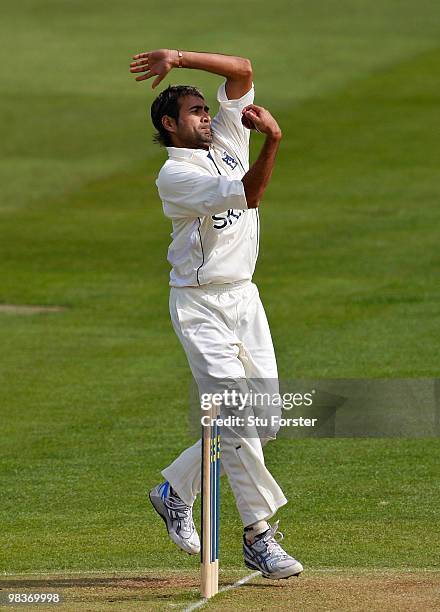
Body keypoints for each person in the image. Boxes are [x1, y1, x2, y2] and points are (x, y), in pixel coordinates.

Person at [130, 48, 303, 580]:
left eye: (209, 110)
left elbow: (244, 68)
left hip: (245, 299)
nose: (208, 117)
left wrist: (180, 57)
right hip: (201, 305)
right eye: (195, 112)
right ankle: (259, 536)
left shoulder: (226, 142)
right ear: (169, 125)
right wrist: (274, 139)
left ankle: (175, 489)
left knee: (265, 422)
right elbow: (250, 195)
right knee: (234, 418)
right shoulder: (174, 177)